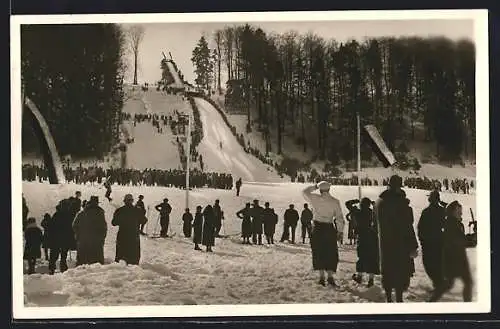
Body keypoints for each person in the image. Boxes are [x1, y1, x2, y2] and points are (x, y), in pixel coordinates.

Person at [375, 175, 419, 302]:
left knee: (388, 271)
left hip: (384, 244)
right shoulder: (400, 204)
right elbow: (407, 226)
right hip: (400, 243)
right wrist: (413, 246)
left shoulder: (379, 202)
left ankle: (389, 298)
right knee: (400, 272)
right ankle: (399, 299)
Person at [429, 201, 473, 302]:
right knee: (452, 283)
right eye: (459, 212)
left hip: (458, 258)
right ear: (452, 212)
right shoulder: (451, 224)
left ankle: (431, 301)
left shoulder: (455, 223)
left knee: (460, 282)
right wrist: (473, 238)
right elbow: (460, 241)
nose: (461, 214)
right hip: (453, 259)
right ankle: (431, 302)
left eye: (461, 212)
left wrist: (473, 237)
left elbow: (462, 239)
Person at [303, 181, 345, 287]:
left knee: (318, 251)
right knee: (330, 252)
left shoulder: (314, 198)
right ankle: (330, 277)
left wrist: (315, 186)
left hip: (317, 228)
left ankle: (321, 277)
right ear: (329, 189)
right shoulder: (335, 201)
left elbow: (304, 192)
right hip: (329, 228)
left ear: (320, 189)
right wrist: (340, 231)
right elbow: (339, 218)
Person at [417, 190, 446, 297]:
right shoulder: (442, 211)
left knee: (429, 264)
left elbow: (420, 227)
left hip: (428, 242)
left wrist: (421, 239)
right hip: (439, 241)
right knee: (438, 264)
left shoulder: (426, 211)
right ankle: (439, 284)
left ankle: (438, 284)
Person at [351, 198, 380, 287]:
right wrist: (374, 205)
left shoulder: (358, 213)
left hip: (362, 237)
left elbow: (347, 204)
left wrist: (355, 200)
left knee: (362, 257)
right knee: (373, 258)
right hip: (372, 237)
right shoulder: (372, 212)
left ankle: (359, 277)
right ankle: (371, 280)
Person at [112, 194, 147, 265]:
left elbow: (114, 223)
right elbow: (144, 220)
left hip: (122, 235)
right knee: (134, 256)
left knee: (121, 255)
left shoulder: (119, 210)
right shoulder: (137, 210)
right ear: (132, 201)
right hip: (134, 236)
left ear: (124, 201)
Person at [72, 196, 107, 266]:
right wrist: (102, 238)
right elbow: (104, 228)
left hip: (83, 241)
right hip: (97, 242)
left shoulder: (81, 213)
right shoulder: (100, 213)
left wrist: (78, 236)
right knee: (96, 265)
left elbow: (74, 225)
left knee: (82, 264)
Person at [48, 199, 74, 274]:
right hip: (64, 238)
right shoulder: (68, 215)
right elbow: (71, 227)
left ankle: (52, 268)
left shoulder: (57, 214)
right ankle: (62, 268)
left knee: (55, 254)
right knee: (63, 254)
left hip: (57, 238)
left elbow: (51, 227)